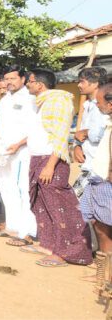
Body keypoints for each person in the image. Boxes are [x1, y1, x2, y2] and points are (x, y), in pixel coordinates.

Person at [24, 69, 91, 266]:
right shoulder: (42, 102)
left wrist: (50, 165)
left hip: (51, 161)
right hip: (38, 158)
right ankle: (48, 244)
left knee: (60, 208)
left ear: (40, 84)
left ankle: (68, 252)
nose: (27, 84)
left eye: (30, 81)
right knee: (41, 204)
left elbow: (61, 136)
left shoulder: (58, 101)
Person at [0, 65, 38, 247]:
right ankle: (12, 227)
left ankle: (26, 232)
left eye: (13, 78)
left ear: (23, 79)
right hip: (3, 152)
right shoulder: (4, 100)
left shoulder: (30, 99)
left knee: (23, 190)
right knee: (7, 188)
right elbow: (0, 126)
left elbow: (35, 128)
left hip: (22, 152)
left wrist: (19, 144)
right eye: (7, 79)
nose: (9, 82)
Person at [79, 82, 112, 260]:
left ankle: (107, 275)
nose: (97, 105)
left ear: (110, 104)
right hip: (97, 179)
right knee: (99, 224)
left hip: (107, 182)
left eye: (99, 102)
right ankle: (105, 271)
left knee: (106, 228)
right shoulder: (108, 123)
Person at [73, 67, 108, 196]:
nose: (78, 85)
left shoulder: (104, 105)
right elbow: (80, 133)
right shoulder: (87, 105)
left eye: (82, 81)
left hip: (100, 168)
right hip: (89, 165)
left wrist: (87, 132)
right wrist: (77, 145)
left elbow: (103, 134)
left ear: (95, 84)